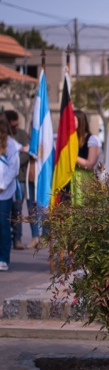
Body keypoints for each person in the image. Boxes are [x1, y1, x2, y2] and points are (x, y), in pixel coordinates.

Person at [5, 111, 37, 250]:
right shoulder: (4, 136)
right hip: (4, 180)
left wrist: (16, 158)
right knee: (6, 210)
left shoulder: (22, 135)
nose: (16, 125)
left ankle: (17, 239)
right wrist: (19, 152)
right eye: (14, 122)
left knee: (17, 209)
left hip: (20, 179)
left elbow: (28, 155)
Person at [0, 116, 21, 271]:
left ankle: (3, 259)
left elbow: (14, 168)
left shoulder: (11, 144)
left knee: (3, 225)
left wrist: (2, 185)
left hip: (4, 193)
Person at [71, 110, 101, 205]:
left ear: (80, 121)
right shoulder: (69, 139)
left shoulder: (92, 139)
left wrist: (71, 157)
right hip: (70, 178)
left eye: (73, 120)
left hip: (84, 179)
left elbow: (90, 164)